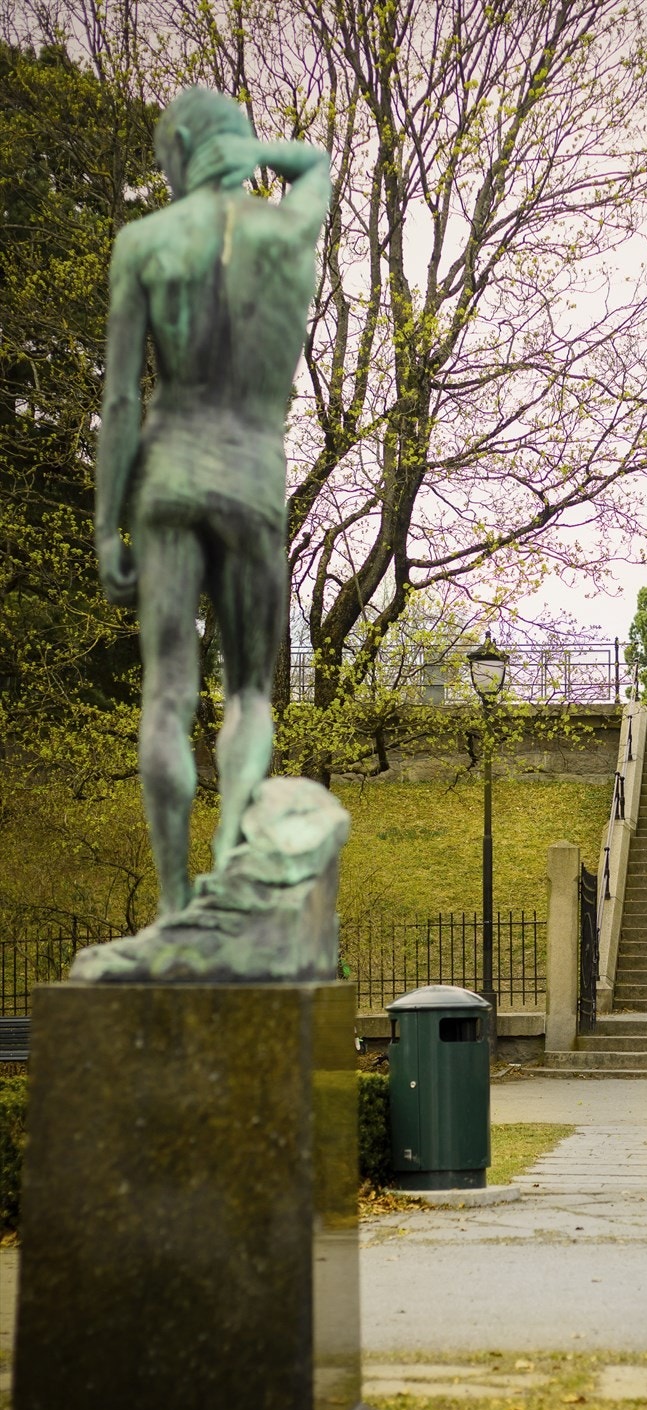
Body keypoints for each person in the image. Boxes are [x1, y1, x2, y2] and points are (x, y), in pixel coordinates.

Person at [94, 88, 330, 916]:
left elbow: (121, 401)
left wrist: (105, 525)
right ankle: (229, 854)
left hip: (168, 473)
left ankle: (170, 905)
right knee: (250, 693)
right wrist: (259, 147)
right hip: (254, 473)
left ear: (183, 154)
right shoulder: (285, 228)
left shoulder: (145, 242)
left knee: (167, 691)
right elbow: (316, 163)